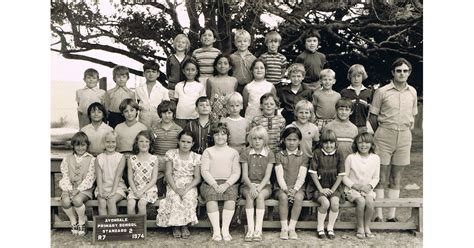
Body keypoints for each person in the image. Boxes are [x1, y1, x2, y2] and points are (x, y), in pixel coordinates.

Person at [369, 58, 418, 222]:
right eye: (399, 71)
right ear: (393, 73)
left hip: (404, 136)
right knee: (380, 177)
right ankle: (378, 215)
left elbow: (413, 115)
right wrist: (381, 133)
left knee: (396, 177)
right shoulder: (382, 91)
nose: (402, 74)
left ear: (409, 72)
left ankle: (391, 215)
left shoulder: (412, 92)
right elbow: (373, 117)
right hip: (384, 135)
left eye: (405, 71)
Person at [156, 130, 201, 239]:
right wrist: (175, 188)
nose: (185, 144)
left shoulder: (196, 157)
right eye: (183, 141)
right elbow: (168, 173)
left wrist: (186, 188)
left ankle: (185, 225)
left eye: (188, 142)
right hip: (173, 182)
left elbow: (197, 178)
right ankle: (175, 225)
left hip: (189, 184)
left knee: (188, 198)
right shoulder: (171, 154)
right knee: (174, 198)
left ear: (193, 143)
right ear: (178, 141)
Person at [200, 123, 241, 241]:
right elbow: (205, 171)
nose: (220, 137)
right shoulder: (208, 151)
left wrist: (227, 184)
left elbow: (236, 173)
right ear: (212, 136)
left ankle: (225, 229)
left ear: (227, 136)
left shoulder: (233, 152)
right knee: (211, 197)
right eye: (216, 134)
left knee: (231, 197)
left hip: (228, 182)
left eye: (223, 134)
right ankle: (216, 230)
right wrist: (214, 184)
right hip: (210, 182)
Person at [306, 129, 345, 240]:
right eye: (326, 142)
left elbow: (341, 175)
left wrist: (332, 190)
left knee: (334, 203)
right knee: (325, 203)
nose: (328, 145)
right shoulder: (317, 153)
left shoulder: (339, 153)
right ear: (321, 143)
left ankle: (330, 227)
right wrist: (321, 189)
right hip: (318, 186)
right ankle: (320, 227)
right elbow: (313, 173)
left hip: (334, 186)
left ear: (335, 143)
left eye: (331, 142)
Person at [240, 126, 275, 242]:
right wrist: (252, 187)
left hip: (264, 185)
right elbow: (245, 175)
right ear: (250, 139)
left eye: (260, 139)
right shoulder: (245, 153)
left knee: (259, 197)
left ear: (264, 139)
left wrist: (258, 189)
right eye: (254, 138)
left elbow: (267, 176)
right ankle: (250, 229)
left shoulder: (269, 154)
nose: (257, 141)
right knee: (250, 196)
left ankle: (258, 229)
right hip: (248, 184)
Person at [342, 132, 380, 239]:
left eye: (367, 142)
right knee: (361, 201)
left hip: (368, 189)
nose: (364, 145)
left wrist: (370, 186)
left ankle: (367, 226)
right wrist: (354, 186)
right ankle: (360, 227)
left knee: (369, 201)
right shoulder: (351, 157)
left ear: (371, 144)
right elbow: (344, 176)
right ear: (356, 144)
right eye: (360, 143)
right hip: (352, 190)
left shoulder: (375, 158)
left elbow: (376, 177)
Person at [274, 127, 309, 240]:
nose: (292, 142)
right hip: (281, 187)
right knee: (283, 198)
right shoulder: (279, 155)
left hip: (297, 187)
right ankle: (284, 228)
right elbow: (279, 176)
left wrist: (294, 190)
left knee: (298, 198)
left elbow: (301, 176)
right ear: (284, 140)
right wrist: (285, 189)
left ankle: (291, 228)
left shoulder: (303, 156)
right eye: (289, 139)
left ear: (299, 141)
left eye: (295, 140)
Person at [59, 132, 96, 236]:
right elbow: (65, 175)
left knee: (77, 200)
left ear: (87, 145)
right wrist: (69, 189)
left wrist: (78, 189)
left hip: (84, 189)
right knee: (66, 201)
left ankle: (81, 221)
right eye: (77, 145)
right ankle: (73, 221)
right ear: (73, 146)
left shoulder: (92, 159)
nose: (80, 148)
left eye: (83, 145)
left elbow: (90, 177)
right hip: (69, 188)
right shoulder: (67, 159)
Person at [151, 100, 183, 196]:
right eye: (164, 113)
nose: (167, 115)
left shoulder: (178, 129)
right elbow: (151, 145)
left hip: (172, 161)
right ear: (160, 114)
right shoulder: (154, 128)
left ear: (173, 114)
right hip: (158, 159)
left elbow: (179, 148)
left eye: (169, 113)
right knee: (157, 182)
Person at [94, 131, 127, 216]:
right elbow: (99, 177)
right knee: (102, 202)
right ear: (103, 143)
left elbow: (118, 176)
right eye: (107, 142)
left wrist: (113, 192)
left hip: (117, 187)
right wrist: (101, 192)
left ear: (117, 143)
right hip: (103, 187)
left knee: (111, 200)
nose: (110, 144)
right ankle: (104, 227)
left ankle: (112, 225)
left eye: (113, 142)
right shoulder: (99, 158)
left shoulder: (120, 157)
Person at [127, 130, 160, 215]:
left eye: (146, 141)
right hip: (135, 188)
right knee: (130, 204)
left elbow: (153, 179)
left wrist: (142, 191)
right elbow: (130, 178)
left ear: (150, 143)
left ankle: (141, 227)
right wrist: (135, 191)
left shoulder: (154, 159)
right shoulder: (131, 159)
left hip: (149, 189)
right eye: (141, 141)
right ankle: (132, 226)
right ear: (137, 143)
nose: (144, 144)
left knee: (141, 204)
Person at [135, 60, 170, 128]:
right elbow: (136, 104)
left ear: (158, 74)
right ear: (144, 74)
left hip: (158, 118)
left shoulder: (163, 90)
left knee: (156, 137)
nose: (151, 74)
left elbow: (166, 107)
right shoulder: (138, 89)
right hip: (143, 118)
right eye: (148, 71)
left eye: (153, 72)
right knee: (144, 136)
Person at [340, 64, 373, 134]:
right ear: (350, 77)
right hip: (348, 127)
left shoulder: (368, 92)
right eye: (353, 76)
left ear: (363, 77)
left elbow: (371, 112)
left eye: (358, 76)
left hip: (364, 127)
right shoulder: (344, 92)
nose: (356, 79)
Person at [243, 59, 277, 125]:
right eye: (256, 68)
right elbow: (245, 105)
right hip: (251, 119)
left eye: (261, 68)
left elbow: (274, 104)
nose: (259, 70)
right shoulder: (247, 87)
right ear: (252, 70)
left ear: (265, 71)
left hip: (266, 120)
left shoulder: (270, 86)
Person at [174, 59, 206, 128]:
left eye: (193, 70)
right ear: (183, 71)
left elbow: (202, 102)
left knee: (194, 136)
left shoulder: (200, 86)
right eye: (187, 69)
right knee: (181, 136)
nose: (190, 72)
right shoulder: (178, 85)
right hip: (181, 117)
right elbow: (176, 101)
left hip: (195, 116)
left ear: (197, 71)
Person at [206, 54, 238, 123]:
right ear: (215, 66)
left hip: (229, 111)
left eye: (225, 63)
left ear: (230, 67)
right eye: (219, 63)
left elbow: (234, 97)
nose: (222, 66)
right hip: (214, 112)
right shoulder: (210, 80)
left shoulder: (234, 80)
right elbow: (208, 96)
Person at [192, 27, 222, 93]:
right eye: (204, 35)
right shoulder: (196, 52)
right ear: (200, 39)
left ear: (214, 39)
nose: (206, 37)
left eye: (209, 35)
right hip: (200, 80)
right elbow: (193, 67)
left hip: (214, 79)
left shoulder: (218, 52)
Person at [230, 29, 257, 94]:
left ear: (249, 43)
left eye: (245, 41)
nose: (242, 43)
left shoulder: (253, 58)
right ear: (235, 43)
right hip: (234, 86)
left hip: (249, 85)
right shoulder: (231, 57)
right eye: (239, 41)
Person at [166, 34, 192, 100]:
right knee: (173, 107)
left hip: (186, 87)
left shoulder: (189, 59)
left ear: (186, 45)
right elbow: (168, 73)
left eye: (183, 42)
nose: (180, 44)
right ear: (174, 44)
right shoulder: (170, 59)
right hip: (172, 88)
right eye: (178, 42)